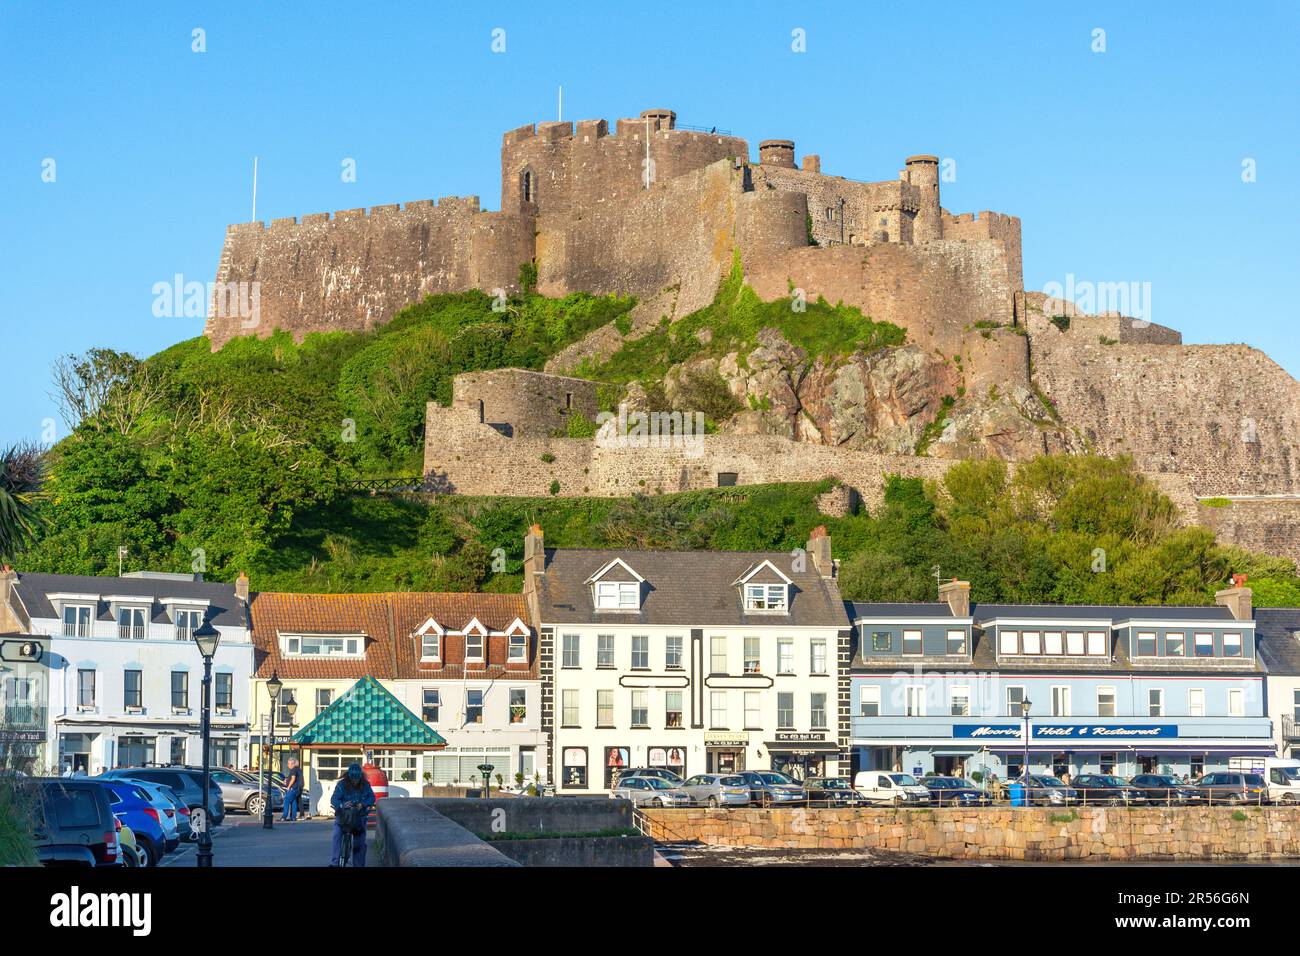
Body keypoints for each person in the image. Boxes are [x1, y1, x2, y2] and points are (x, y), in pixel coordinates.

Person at [330, 763, 376, 867]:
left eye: (357, 779)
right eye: (353, 779)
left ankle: (358, 865)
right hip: (343, 818)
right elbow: (334, 799)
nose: (355, 782)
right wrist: (342, 805)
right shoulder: (341, 784)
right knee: (336, 836)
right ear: (348, 776)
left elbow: (372, 798)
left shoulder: (365, 785)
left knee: (359, 843)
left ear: (361, 777)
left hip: (359, 818)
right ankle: (334, 863)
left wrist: (363, 804)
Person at [282, 756, 303, 822]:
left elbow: (293, 779)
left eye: (289, 763)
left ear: (292, 763)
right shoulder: (297, 769)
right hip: (297, 788)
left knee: (286, 800)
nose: (288, 765)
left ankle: (284, 816)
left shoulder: (293, 769)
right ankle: (293, 817)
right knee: (293, 801)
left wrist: (288, 786)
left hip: (293, 788)